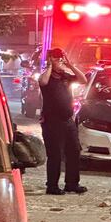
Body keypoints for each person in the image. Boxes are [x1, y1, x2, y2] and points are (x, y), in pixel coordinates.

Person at [38, 48, 88, 195]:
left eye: (59, 58)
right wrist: (50, 65)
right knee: (55, 155)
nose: (58, 61)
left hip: (68, 121)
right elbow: (43, 82)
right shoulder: (47, 77)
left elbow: (83, 80)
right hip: (52, 122)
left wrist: (69, 64)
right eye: (55, 58)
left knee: (73, 151)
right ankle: (52, 186)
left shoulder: (65, 76)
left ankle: (72, 183)